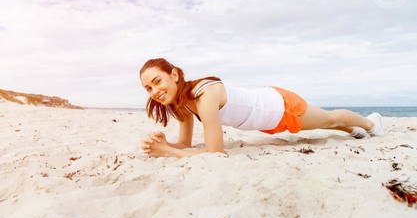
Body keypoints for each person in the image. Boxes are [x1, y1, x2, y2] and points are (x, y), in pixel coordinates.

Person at [139, 58, 384, 158]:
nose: (155, 91)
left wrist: (166, 152)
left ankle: (371, 123)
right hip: (269, 121)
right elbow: (186, 145)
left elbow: (216, 153)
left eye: (157, 81)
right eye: (148, 88)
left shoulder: (205, 95)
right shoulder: (183, 105)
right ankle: (354, 131)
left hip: (279, 106)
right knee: (329, 123)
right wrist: (165, 144)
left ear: (173, 74)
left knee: (329, 119)